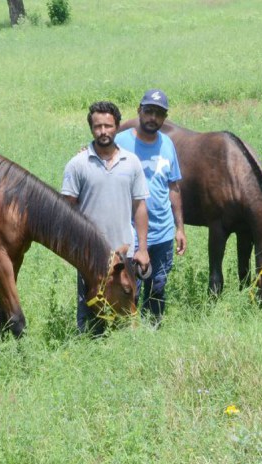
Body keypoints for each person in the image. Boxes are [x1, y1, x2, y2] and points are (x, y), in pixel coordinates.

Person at [61, 101, 150, 335]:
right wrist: (71, 249)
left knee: (125, 305)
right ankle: (89, 348)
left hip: (124, 252)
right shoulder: (77, 164)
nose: (103, 132)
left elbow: (140, 206)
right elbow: (67, 211)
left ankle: (126, 350)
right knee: (89, 309)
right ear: (91, 129)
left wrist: (142, 248)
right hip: (90, 255)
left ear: (117, 127)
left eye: (108, 126)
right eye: (97, 126)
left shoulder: (131, 163)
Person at [115, 89, 186, 324]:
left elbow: (173, 187)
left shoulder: (167, 144)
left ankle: (153, 330)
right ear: (139, 111)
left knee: (158, 287)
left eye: (158, 113)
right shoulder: (121, 141)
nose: (152, 118)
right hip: (129, 232)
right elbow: (94, 154)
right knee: (127, 286)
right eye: (148, 111)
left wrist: (179, 228)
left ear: (164, 118)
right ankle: (128, 331)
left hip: (163, 232)